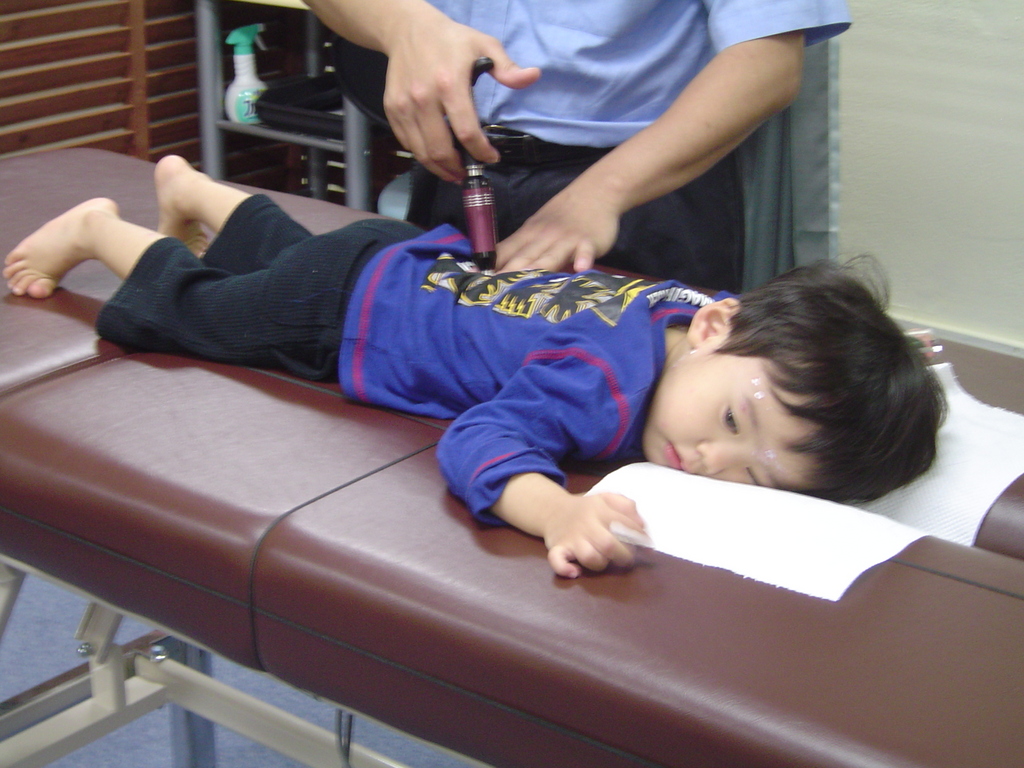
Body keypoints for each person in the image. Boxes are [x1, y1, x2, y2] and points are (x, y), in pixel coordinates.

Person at [4, 157, 943, 578]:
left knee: (284, 255)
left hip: (403, 259)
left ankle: (195, 189)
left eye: (756, 477)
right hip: (350, 315)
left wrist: (891, 370)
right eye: (735, 424)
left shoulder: (684, 312)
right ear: (716, 332)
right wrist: (558, 512)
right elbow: (481, 439)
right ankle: (100, 230)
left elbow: (758, 326)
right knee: (206, 315)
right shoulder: (599, 386)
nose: (711, 460)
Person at [303, 0, 851, 290]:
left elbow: (769, 61)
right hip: (457, 176)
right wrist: (404, 24)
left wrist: (602, 195)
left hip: (642, 195)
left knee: (626, 431)